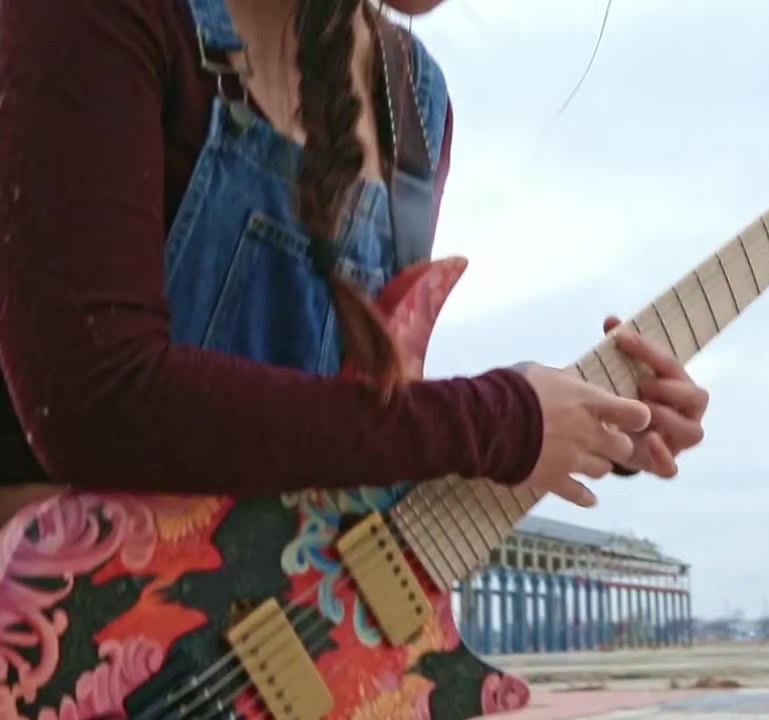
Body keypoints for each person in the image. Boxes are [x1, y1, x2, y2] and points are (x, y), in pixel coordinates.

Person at [0, 0, 709, 712]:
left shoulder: (414, 101)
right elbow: (96, 401)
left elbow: (358, 456)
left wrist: (591, 425)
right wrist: (501, 422)